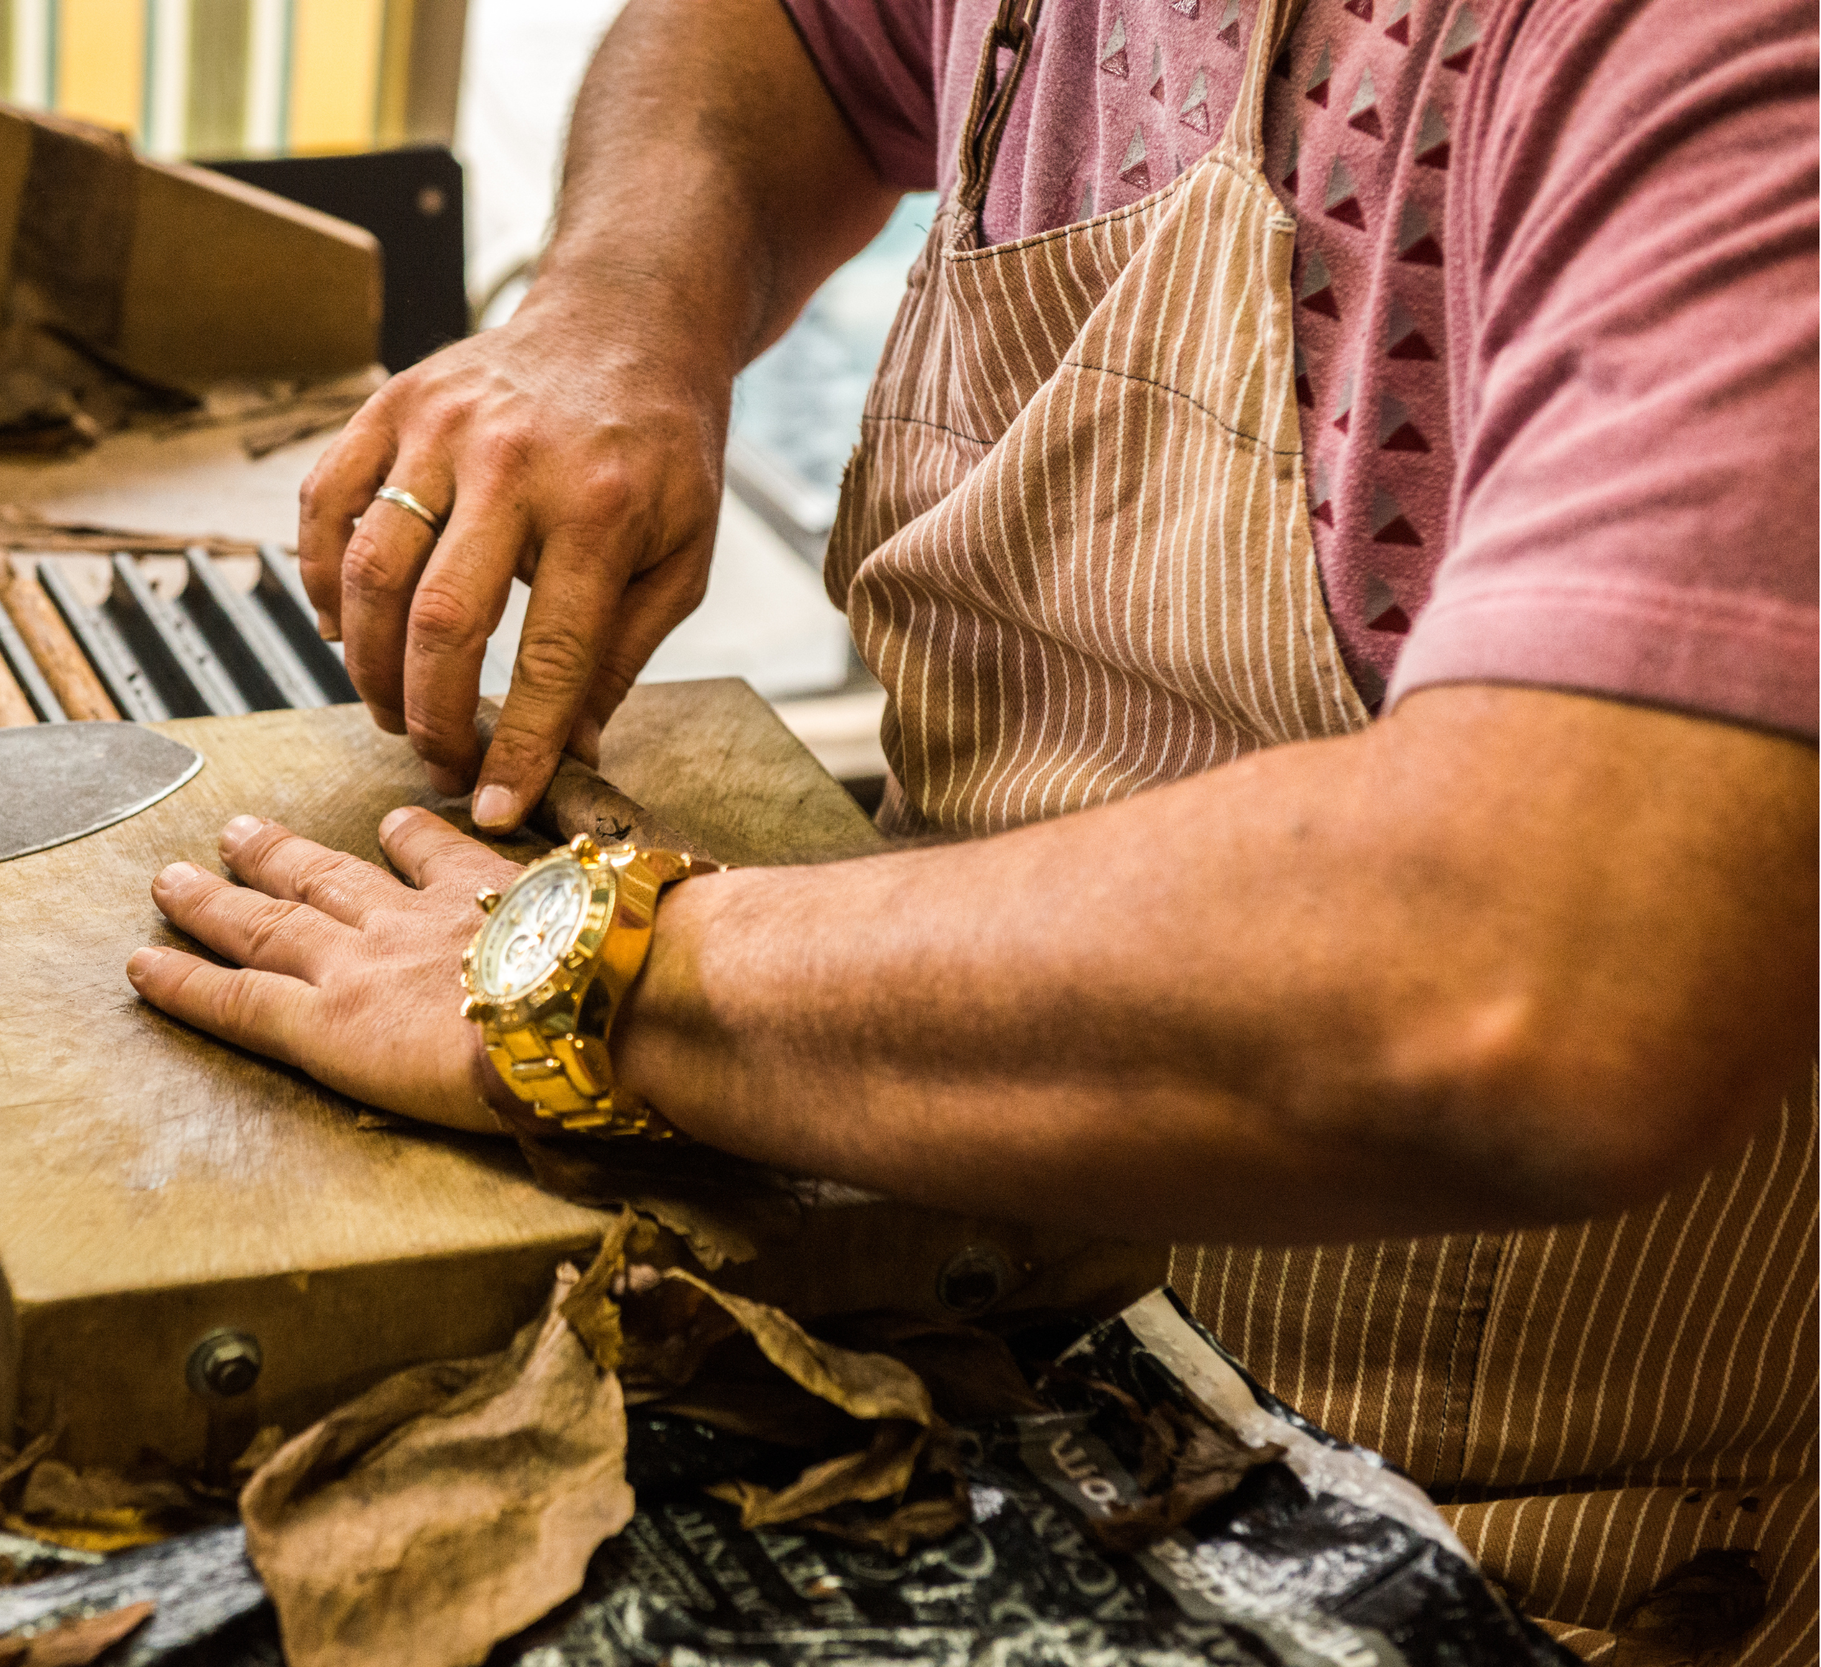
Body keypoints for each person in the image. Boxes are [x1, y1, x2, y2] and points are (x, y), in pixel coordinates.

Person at [126, 0, 1817, 1655]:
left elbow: (1542, 971)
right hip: (969, 1301)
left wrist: (597, 974)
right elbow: (783, 36)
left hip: (1494, 1528)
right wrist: (620, 306)